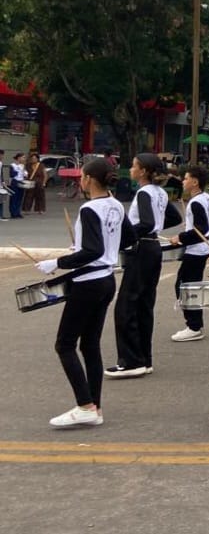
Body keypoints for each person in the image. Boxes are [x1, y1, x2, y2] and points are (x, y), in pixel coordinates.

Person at [37, 159, 134, 428]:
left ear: (89, 179)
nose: (80, 180)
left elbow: (92, 251)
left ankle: (85, 405)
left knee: (65, 344)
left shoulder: (90, 209)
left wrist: (57, 262)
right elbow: (128, 239)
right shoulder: (115, 204)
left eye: (82, 176)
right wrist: (80, 248)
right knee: (89, 344)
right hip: (106, 280)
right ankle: (95, 408)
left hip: (89, 283)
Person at [107, 153, 169, 379]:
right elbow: (171, 218)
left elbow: (147, 223)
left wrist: (126, 237)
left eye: (134, 166)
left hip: (142, 249)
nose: (131, 169)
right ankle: (144, 358)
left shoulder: (144, 192)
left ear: (143, 171)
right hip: (153, 248)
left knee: (125, 306)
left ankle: (131, 361)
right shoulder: (160, 192)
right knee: (144, 305)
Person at [169, 165, 209, 342]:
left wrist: (180, 237)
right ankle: (194, 324)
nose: (183, 181)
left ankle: (194, 326)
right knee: (187, 285)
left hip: (197, 250)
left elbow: (202, 229)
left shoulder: (196, 202)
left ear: (195, 182)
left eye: (186, 178)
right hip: (201, 249)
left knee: (186, 287)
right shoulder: (206, 198)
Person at [9, 152, 26, 219]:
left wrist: (24, 171)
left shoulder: (23, 165)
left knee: (20, 198)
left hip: (21, 181)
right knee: (14, 198)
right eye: (23, 157)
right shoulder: (13, 165)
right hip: (15, 182)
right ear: (19, 158)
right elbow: (12, 174)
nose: (24, 159)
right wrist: (18, 169)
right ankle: (13, 213)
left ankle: (18, 212)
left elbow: (24, 174)